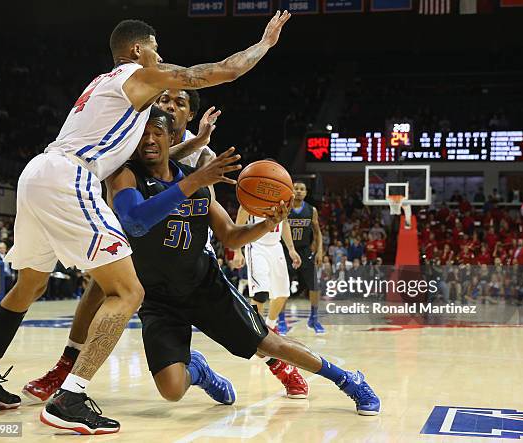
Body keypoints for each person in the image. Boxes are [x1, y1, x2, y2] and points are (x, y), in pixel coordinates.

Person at [0, 13, 292, 435]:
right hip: (70, 178)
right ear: (137, 50)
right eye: (156, 49)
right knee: (129, 290)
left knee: (30, 285)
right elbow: (215, 72)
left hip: (38, 173)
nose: (160, 58)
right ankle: (71, 398)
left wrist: (198, 143)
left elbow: (145, 154)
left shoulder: (102, 88)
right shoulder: (138, 75)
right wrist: (264, 44)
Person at [26, 109, 380, 419]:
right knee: (172, 389)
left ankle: (347, 379)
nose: (149, 140)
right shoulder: (126, 177)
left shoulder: (197, 184)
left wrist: (266, 224)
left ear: (169, 138)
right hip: (157, 299)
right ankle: (200, 371)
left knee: (270, 344)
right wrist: (196, 179)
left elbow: (229, 235)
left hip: (203, 286)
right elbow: (134, 220)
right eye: (143, 135)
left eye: (157, 133)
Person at [232, 203, 301, 336]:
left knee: (282, 293)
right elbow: (239, 222)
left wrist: (291, 249)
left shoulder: (282, 195)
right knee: (260, 293)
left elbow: (284, 222)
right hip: (256, 245)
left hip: (276, 246)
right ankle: (256, 333)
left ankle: (270, 329)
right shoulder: (252, 195)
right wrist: (237, 250)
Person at [286, 181, 325, 334]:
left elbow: (317, 232)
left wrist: (320, 251)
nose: (299, 191)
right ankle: (281, 320)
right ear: (292, 191)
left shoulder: (311, 210)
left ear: (306, 192)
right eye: (296, 188)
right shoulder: (285, 207)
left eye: (302, 189)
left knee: (314, 285)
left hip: (304, 250)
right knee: (283, 288)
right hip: (286, 251)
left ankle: (314, 319)